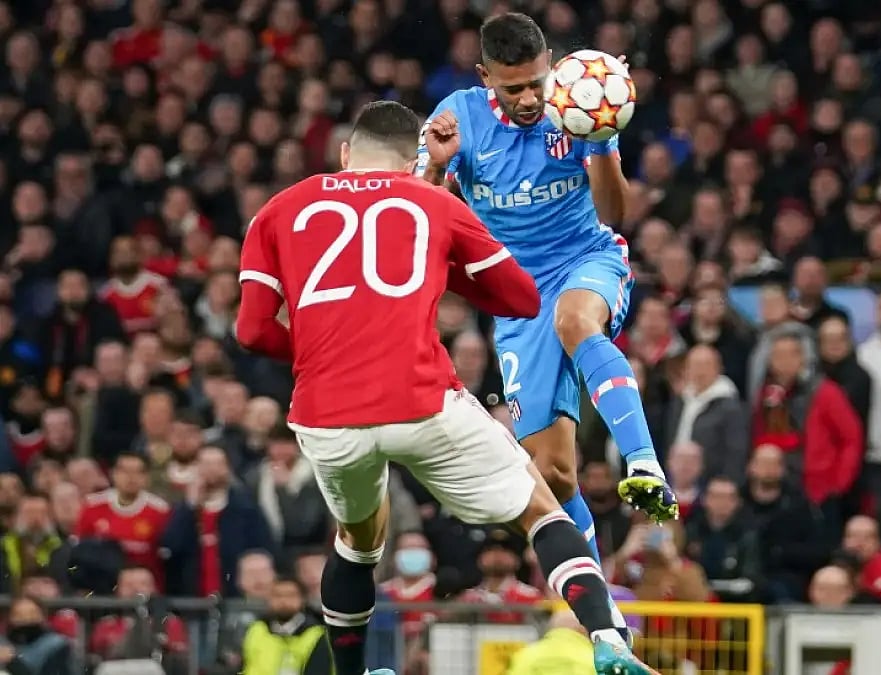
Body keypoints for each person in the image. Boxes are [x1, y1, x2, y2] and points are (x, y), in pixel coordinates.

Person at [236, 100, 653, 675]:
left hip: (326, 414)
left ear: (344, 154)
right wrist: (444, 265)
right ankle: (608, 640)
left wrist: (320, 354)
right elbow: (522, 300)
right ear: (414, 160)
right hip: (421, 399)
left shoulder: (276, 212)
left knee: (357, 542)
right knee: (543, 511)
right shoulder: (430, 200)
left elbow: (253, 329)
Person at [416, 16, 679, 564]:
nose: (531, 97)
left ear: (551, 64)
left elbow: (613, 214)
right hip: (516, 297)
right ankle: (607, 620)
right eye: (514, 88)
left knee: (574, 320)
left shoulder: (580, 100)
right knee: (553, 479)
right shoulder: (455, 121)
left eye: (537, 81)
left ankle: (645, 465)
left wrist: (603, 143)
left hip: (588, 259)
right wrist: (435, 171)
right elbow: (415, 221)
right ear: (486, 77)